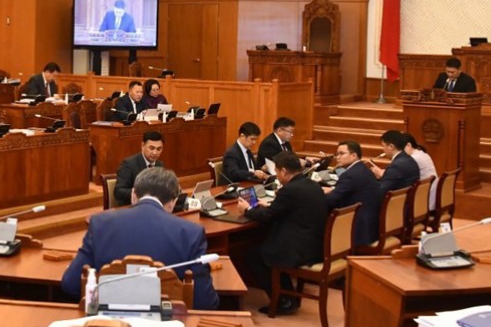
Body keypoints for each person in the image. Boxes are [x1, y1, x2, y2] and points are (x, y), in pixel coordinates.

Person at [61, 168, 219, 310]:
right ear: (173, 202)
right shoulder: (191, 233)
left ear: (133, 194)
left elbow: (71, 284)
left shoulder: (100, 224)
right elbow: (204, 302)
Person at [238, 151, 328, 315]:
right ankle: (287, 295)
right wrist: (270, 206)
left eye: (277, 172)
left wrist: (247, 209)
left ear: (284, 171)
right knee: (265, 247)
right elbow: (289, 209)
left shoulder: (289, 190)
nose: (277, 176)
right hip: (315, 245)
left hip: (300, 250)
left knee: (253, 255)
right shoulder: (312, 185)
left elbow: (267, 217)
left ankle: (281, 300)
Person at [324, 140, 382, 247]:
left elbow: (331, 200)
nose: (337, 157)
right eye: (337, 154)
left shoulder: (350, 175)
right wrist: (334, 190)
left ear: (354, 155)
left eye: (341, 154)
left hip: (358, 227)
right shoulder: (362, 169)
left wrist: (314, 198)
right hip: (371, 224)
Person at [113, 131, 165, 205]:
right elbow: (118, 191)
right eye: (151, 148)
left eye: (159, 149)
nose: (155, 153)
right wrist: (143, 194)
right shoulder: (129, 164)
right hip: (132, 207)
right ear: (143, 145)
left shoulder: (160, 165)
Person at [405, 133, 438, 209]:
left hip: (424, 203)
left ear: (408, 145)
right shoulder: (422, 154)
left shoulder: (414, 159)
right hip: (431, 198)